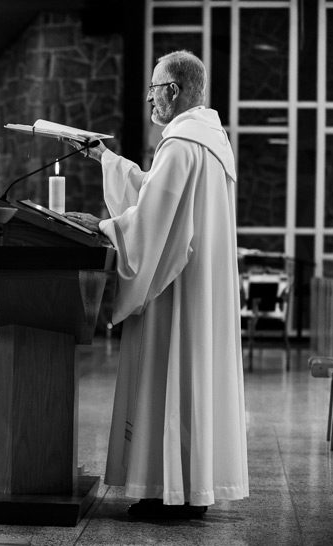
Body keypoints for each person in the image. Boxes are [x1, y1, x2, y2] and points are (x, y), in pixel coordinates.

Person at [66, 50, 248, 517]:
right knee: (192, 384)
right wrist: (107, 159)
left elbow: (152, 222)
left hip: (177, 293)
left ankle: (169, 495)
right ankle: (188, 490)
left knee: (168, 380)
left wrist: (104, 227)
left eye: (153, 88)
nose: (150, 98)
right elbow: (155, 194)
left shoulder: (181, 144)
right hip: (198, 288)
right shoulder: (211, 144)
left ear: (172, 90)